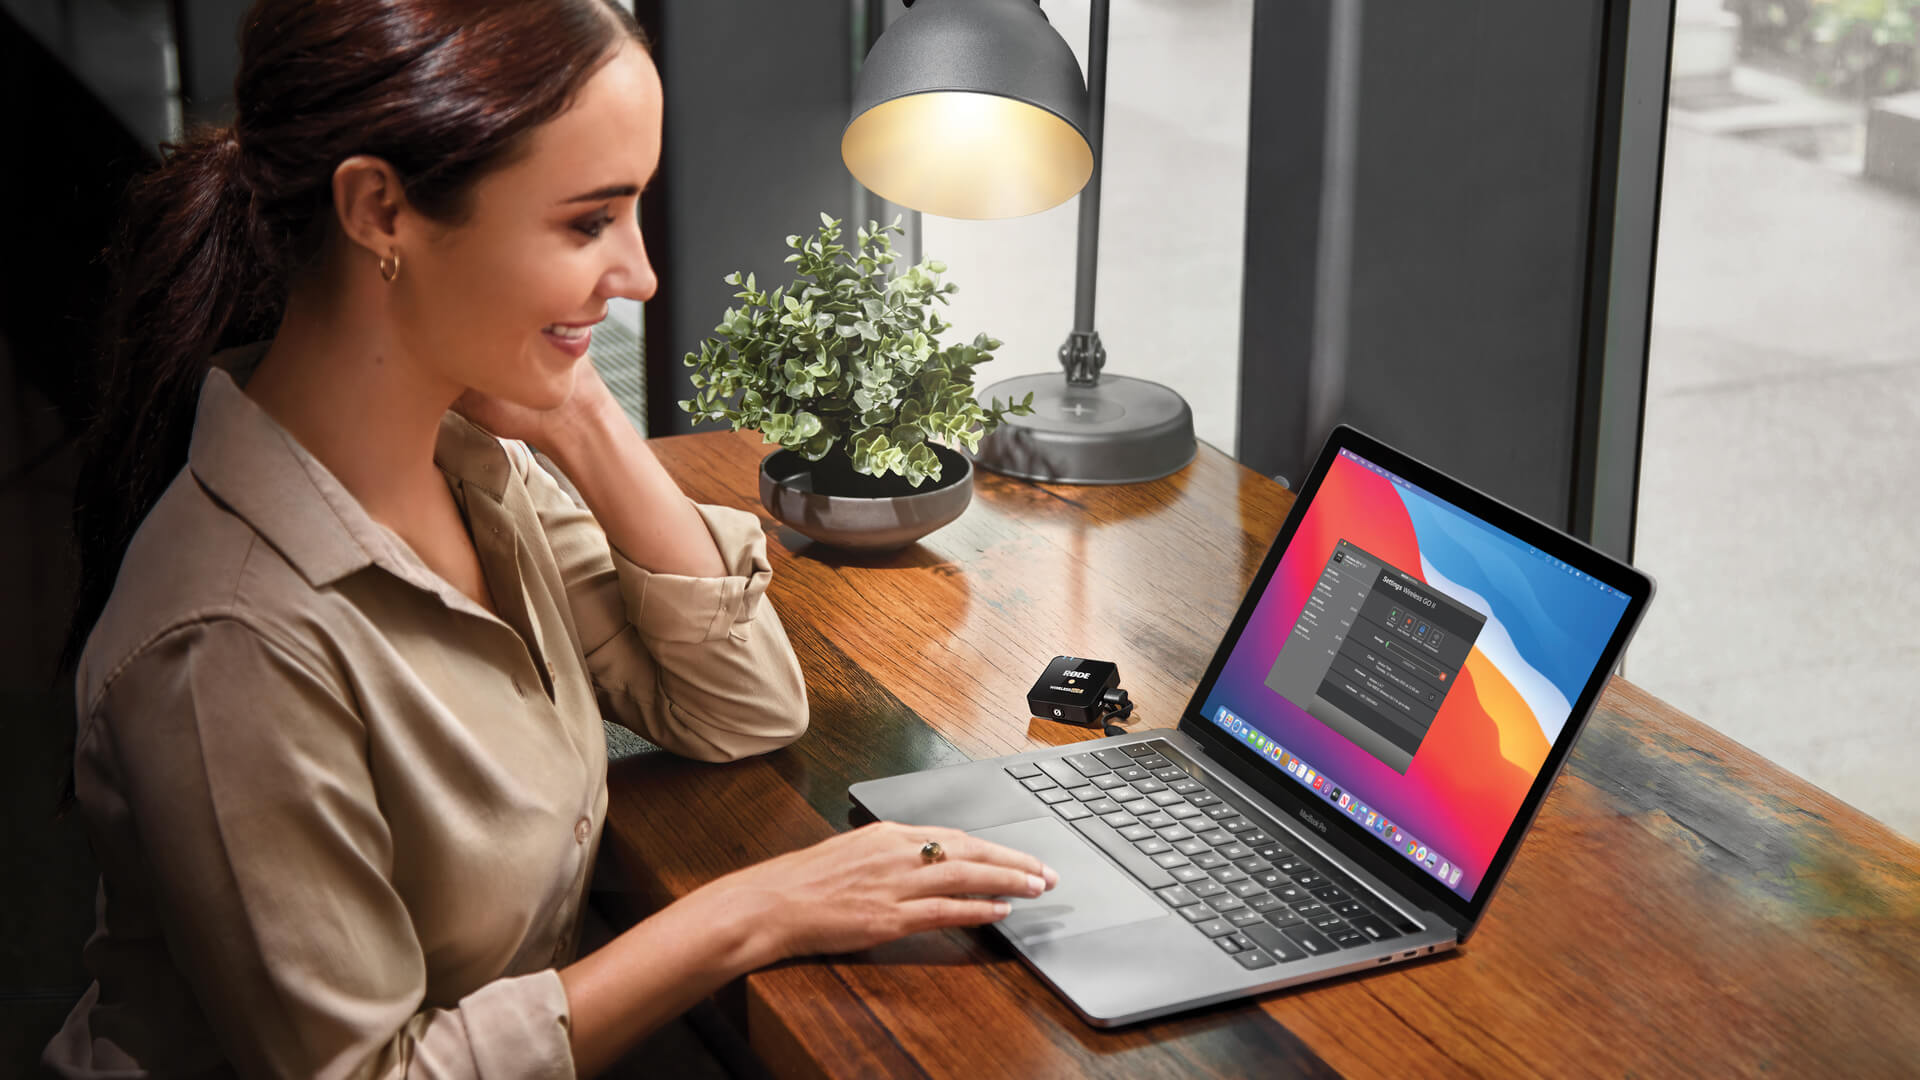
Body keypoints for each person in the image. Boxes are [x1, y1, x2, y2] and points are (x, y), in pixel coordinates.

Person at [44, 1, 1057, 1076]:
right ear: (380, 211)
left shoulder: (465, 462)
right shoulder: (231, 644)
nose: (643, 276)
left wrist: (580, 413)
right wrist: (750, 915)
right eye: (588, 222)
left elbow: (740, 706)